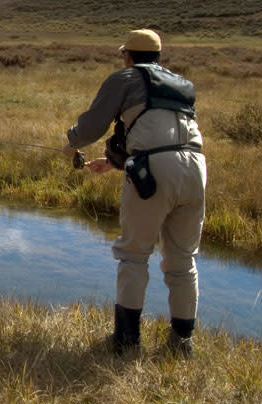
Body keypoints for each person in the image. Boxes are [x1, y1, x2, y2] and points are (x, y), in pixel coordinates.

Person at [62, 29, 207, 357]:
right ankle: (182, 343)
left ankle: (127, 343)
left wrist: (70, 144)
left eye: (123, 54)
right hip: (196, 168)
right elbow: (161, 134)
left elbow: (92, 127)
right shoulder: (181, 84)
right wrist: (114, 164)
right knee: (183, 260)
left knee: (133, 254)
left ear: (128, 55)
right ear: (158, 57)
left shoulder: (124, 78)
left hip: (152, 170)